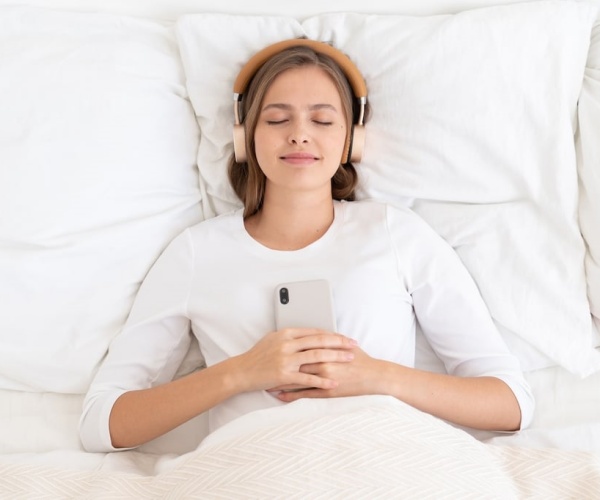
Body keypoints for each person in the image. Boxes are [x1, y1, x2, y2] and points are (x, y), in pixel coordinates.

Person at [79, 39, 534, 452]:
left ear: (350, 140)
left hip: (385, 464)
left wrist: (377, 376)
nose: (299, 134)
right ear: (245, 137)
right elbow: (101, 424)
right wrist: (241, 372)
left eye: (321, 119)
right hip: (252, 470)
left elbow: (511, 404)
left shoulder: (396, 232)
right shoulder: (197, 252)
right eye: (277, 119)